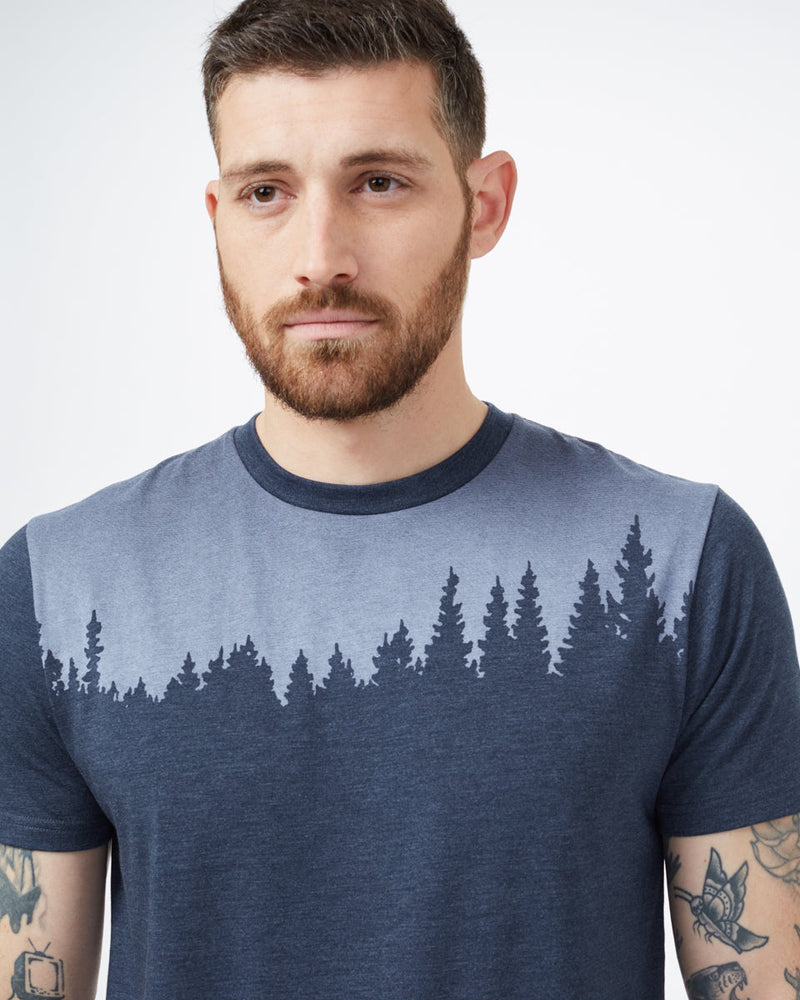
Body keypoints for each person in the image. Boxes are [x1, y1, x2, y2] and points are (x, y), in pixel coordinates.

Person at [1, 0, 798, 997]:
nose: (319, 255)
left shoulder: (686, 563)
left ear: (485, 204)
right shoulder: (57, 588)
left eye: (378, 182)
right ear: (217, 217)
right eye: (265, 191)